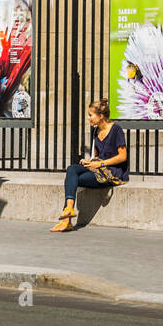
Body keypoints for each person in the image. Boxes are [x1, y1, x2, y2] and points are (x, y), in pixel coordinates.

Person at [51, 99, 128, 232]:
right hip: (98, 169)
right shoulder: (95, 131)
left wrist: (101, 163)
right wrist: (89, 162)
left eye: (90, 115)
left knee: (72, 181)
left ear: (101, 116)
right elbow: (96, 156)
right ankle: (68, 210)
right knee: (72, 169)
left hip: (111, 173)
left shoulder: (116, 130)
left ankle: (66, 221)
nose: (88, 118)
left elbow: (123, 156)